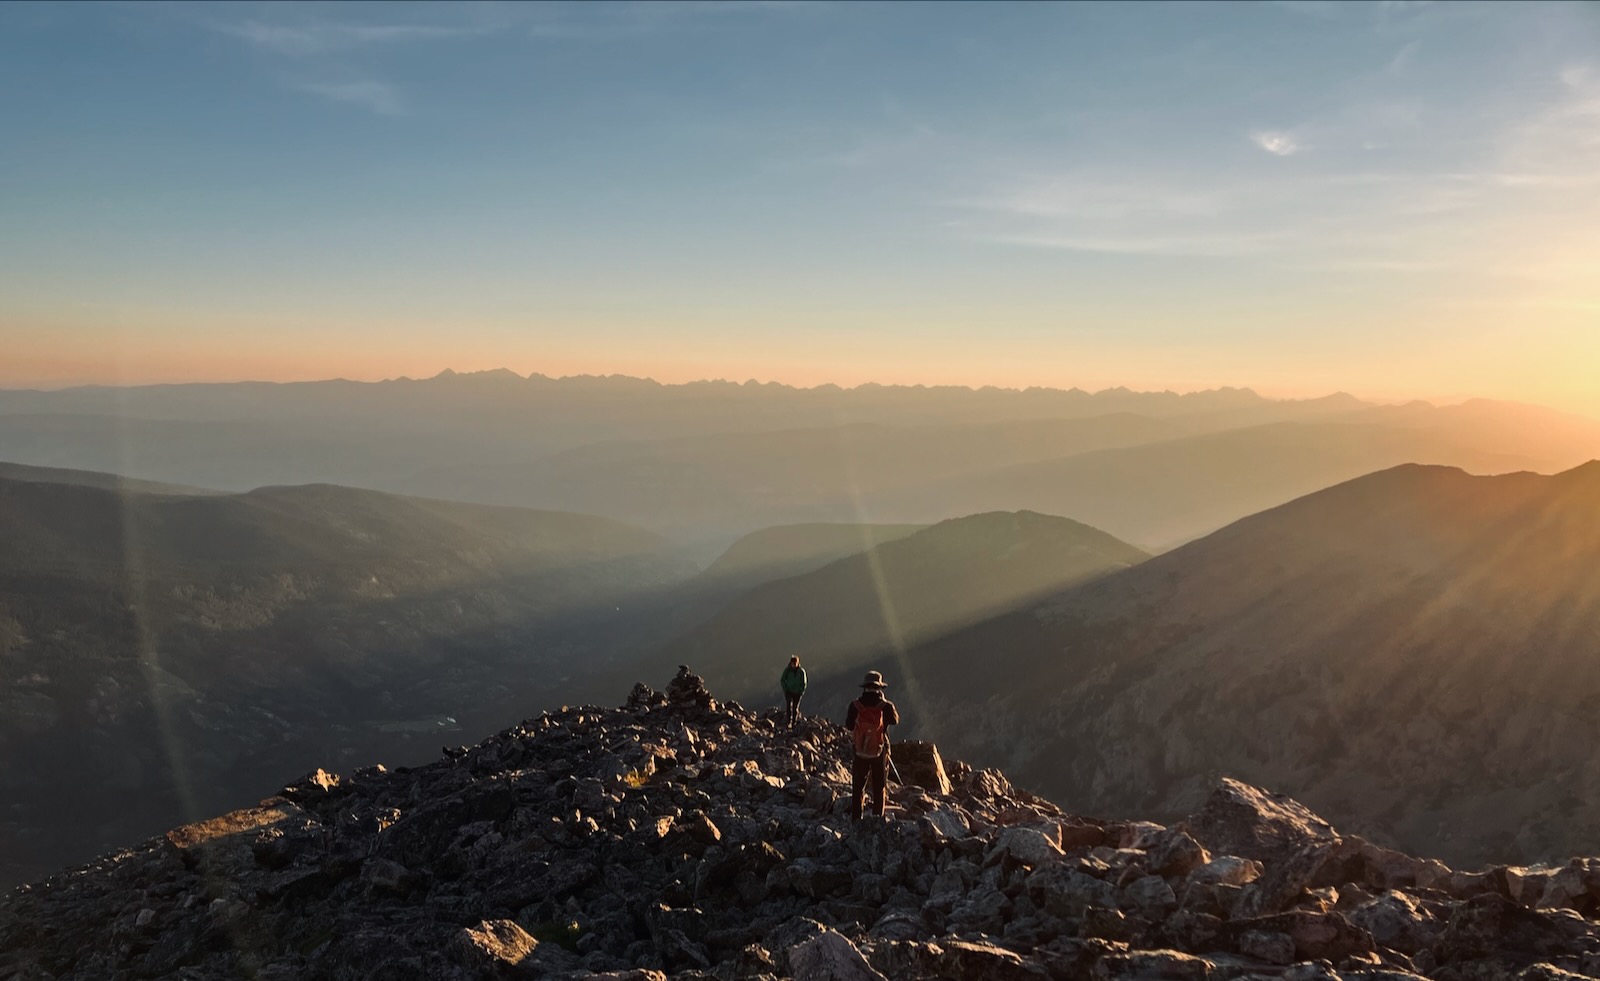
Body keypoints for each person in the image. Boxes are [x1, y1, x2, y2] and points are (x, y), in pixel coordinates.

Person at [844, 670, 899, 820]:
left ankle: (856, 820)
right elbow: (895, 720)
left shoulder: (855, 705)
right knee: (879, 786)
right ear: (880, 688)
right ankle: (877, 820)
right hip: (880, 750)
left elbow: (849, 725)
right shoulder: (885, 706)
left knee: (858, 787)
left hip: (860, 750)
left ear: (864, 687)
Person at [780, 656, 807, 727]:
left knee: (795, 708)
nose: (794, 665)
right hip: (789, 692)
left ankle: (794, 722)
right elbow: (782, 680)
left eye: (795, 663)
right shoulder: (787, 671)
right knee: (789, 707)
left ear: (798, 663)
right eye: (793, 663)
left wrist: (801, 691)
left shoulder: (801, 671)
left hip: (797, 693)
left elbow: (804, 683)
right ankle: (788, 721)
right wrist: (786, 690)